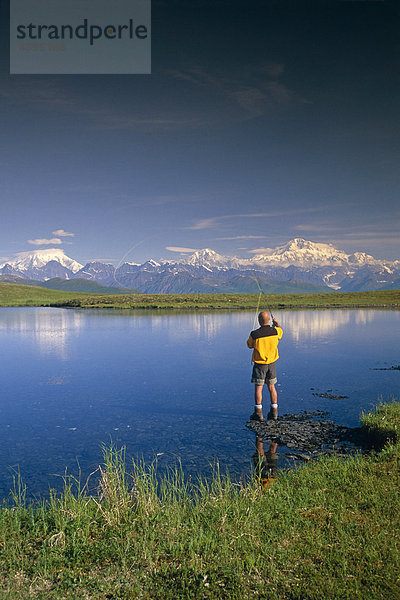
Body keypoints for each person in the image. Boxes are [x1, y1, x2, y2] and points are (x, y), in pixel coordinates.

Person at [247, 311, 283, 421]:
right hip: (272, 364)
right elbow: (281, 333)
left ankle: (258, 413)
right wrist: (277, 324)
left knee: (259, 388)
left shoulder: (254, 334)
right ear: (269, 320)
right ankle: (274, 412)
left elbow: (249, 345)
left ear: (259, 321)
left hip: (259, 365)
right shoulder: (275, 331)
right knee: (272, 387)